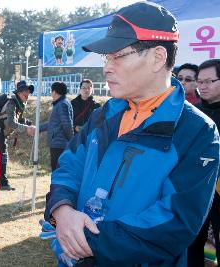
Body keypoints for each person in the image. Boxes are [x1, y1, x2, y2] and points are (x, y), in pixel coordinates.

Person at [44, 2, 219, 267]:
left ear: (158, 57)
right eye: (107, 57)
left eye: (118, 55)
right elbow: (67, 168)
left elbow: (174, 223)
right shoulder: (104, 115)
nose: (107, 68)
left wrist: (84, 244)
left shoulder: (197, 132)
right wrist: (61, 212)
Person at [188, 59, 220, 267]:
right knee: (192, 243)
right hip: (195, 189)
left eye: (209, 81)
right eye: (200, 81)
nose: (203, 86)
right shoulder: (193, 113)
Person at [0, 80, 35, 190]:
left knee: (0, 157)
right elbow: (11, 123)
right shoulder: (12, 103)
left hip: (1, 133)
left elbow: (16, 119)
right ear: (19, 92)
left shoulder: (18, 103)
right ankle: (1, 184)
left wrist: (28, 123)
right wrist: (26, 129)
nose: (28, 94)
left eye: (29, 92)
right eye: (26, 92)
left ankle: (1, 183)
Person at [40, 81, 74, 171]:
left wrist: (71, 140)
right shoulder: (62, 103)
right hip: (58, 142)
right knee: (57, 168)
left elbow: (67, 124)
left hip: (59, 143)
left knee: (57, 169)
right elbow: (53, 123)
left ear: (54, 92)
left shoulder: (62, 104)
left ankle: (57, 185)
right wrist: (38, 129)